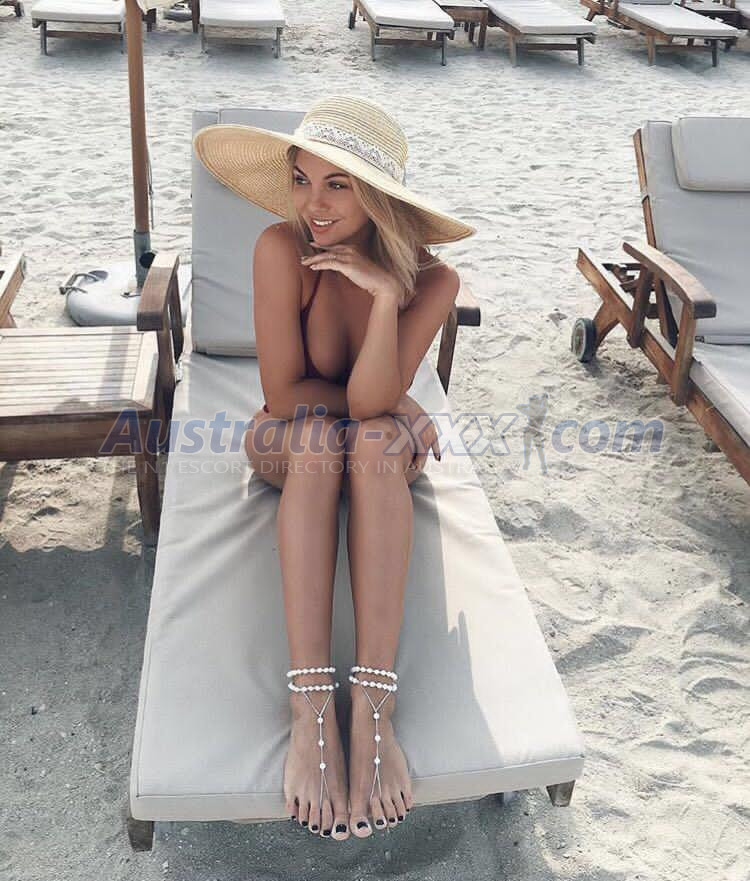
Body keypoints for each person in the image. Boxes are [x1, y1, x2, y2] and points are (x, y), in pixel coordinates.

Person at [193, 95, 475, 842]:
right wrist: (398, 401)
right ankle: (311, 705)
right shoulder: (280, 250)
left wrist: (384, 302)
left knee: (372, 442)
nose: (312, 204)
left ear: (378, 196)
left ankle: (373, 709)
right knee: (325, 438)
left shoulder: (433, 282)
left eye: (337, 185)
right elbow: (284, 393)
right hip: (292, 438)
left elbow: (371, 403)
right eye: (301, 180)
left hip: (375, 447)